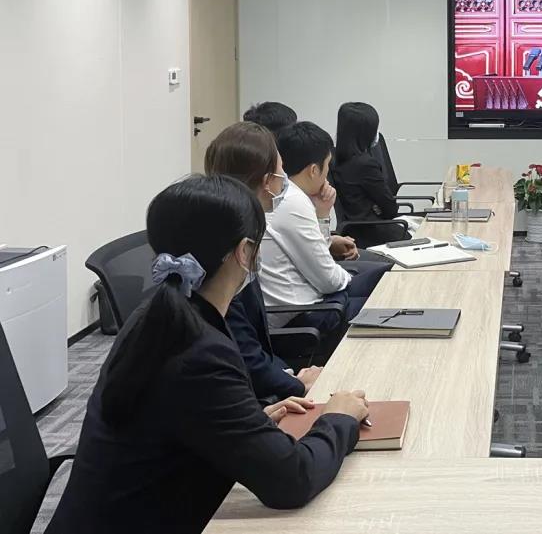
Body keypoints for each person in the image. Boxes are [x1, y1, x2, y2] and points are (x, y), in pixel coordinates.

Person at [44, 175, 369, 534]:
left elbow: (179, 417)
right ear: (244, 252)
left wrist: (248, 421)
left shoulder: (158, 316)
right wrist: (338, 418)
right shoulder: (198, 352)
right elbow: (292, 480)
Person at [204, 121, 321, 401]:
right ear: (267, 181)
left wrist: (290, 374)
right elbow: (247, 357)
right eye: (281, 171)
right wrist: (297, 384)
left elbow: (252, 346)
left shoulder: (232, 226)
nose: (286, 179)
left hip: (260, 375)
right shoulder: (230, 249)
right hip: (244, 393)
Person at [260, 121, 385, 334]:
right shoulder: (294, 202)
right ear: (313, 170)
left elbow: (317, 251)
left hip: (305, 300)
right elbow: (329, 281)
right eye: (327, 166)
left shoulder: (289, 195)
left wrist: (322, 216)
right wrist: (349, 276)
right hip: (302, 316)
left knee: (384, 278)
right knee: (386, 290)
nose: (327, 174)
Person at [331, 102, 410, 247]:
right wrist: (377, 207)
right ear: (365, 133)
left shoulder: (336, 158)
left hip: (354, 230)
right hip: (372, 232)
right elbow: (390, 209)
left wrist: (376, 205)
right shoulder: (365, 164)